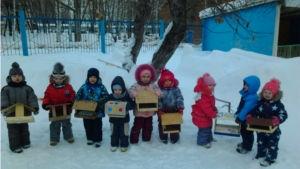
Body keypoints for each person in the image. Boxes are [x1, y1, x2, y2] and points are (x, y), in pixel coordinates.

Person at [248, 78, 288, 167]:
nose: (267, 94)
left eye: (269, 93)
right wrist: (250, 115)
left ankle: (270, 158)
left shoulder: (278, 105)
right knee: (261, 141)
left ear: (274, 94)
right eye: (265, 92)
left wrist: (277, 119)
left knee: (272, 143)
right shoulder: (260, 103)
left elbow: (283, 114)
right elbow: (255, 111)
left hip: (273, 130)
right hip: (261, 127)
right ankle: (261, 154)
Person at [1, 62, 39, 153]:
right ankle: (15, 146)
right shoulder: (6, 89)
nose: (17, 77)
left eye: (19, 75)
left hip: (24, 113)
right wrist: (3, 107)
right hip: (11, 113)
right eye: (14, 76)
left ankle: (25, 143)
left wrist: (35, 107)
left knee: (24, 129)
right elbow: (3, 99)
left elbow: (32, 98)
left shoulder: (27, 88)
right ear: (10, 77)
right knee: (13, 131)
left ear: (22, 77)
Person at [42, 62, 76, 146]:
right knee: (54, 125)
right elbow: (47, 96)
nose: (58, 80)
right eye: (56, 79)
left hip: (66, 109)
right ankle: (54, 139)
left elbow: (72, 94)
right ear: (53, 78)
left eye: (60, 79)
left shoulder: (68, 87)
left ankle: (68, 137)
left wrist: (71, 102)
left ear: (64, 78)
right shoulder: (50, 88)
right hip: (54, 110)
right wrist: (45, 104)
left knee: (66, 124)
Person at [74, 68, 109, 148]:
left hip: (97, 112)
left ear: (97, 78)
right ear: (88, 78)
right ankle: (89, 138)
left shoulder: (101, 87)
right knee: (87, 126)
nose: (92, 79)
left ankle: (97, 140)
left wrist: (101, 101)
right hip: (86, 111)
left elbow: (106, 96)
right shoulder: (84, 87)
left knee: (97, 126)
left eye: (94, 77)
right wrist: (76, 98)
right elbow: (79, 94)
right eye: (91, 77)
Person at [128, 64, 162, 144]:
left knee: (148, 126)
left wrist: (158, 93)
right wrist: (133, 93)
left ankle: (146, 138)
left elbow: (160, 93)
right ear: (140, 77)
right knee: (137, 125)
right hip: (139, 112)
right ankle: (134, 139)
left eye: (148, 76)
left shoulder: (153, 85)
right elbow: (130, 91)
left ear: (151, 77)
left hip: (150, 110)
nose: (146, 79)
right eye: (144, 76)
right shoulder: (136, 85)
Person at [103, 76, 135, 152]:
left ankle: (124, 145)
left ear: (123, 89)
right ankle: (114, 144)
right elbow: (104, 102)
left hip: (124, 119)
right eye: (115, 90)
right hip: (113, 119)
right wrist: (104, 104)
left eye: (119, 90)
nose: (117, 91)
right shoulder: (111, 96)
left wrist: (128, 105)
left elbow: (132, 104)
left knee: (124, 132)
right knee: (114, 132)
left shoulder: (126, 96)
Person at [157, 67, 184, 144]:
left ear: (173, 80)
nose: (168, 82)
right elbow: (159, 100)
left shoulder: (176, 89)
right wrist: (159, 109)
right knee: (162, 124)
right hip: (164, 110)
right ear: (162, 81)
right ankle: (163, 137)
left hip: (174, 109)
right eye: (166, 81)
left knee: (174, 122)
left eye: (169, 80)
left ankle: (174, 137)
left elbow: (180, 98)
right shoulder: (160, 90)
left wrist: (180, 108)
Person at [235, 75, 261, 154]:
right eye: (244, 84)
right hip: (244, 118)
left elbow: (246, 109)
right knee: (243, 132)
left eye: (247, 85)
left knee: (247, 133)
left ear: (253, 87)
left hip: (248, 119)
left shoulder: (252, 97)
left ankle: (247, 147)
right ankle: (244, 143)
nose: (244, 86)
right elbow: (242, 105)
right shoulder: (246, 94)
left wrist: (240, 117)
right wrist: (238, 110)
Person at [191, 73, 217, 148]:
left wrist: (214, 109)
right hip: (202, 117)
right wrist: (213, 114)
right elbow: (206, 108)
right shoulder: (203, 96)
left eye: (213, 85)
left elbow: (210, 105)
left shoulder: (209, 94)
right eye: (210, 85)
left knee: (209, 127)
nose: (212, 87)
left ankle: (209, 139)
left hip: (206, 117)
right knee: (204, 130)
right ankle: (201, 142)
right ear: (204, 86)